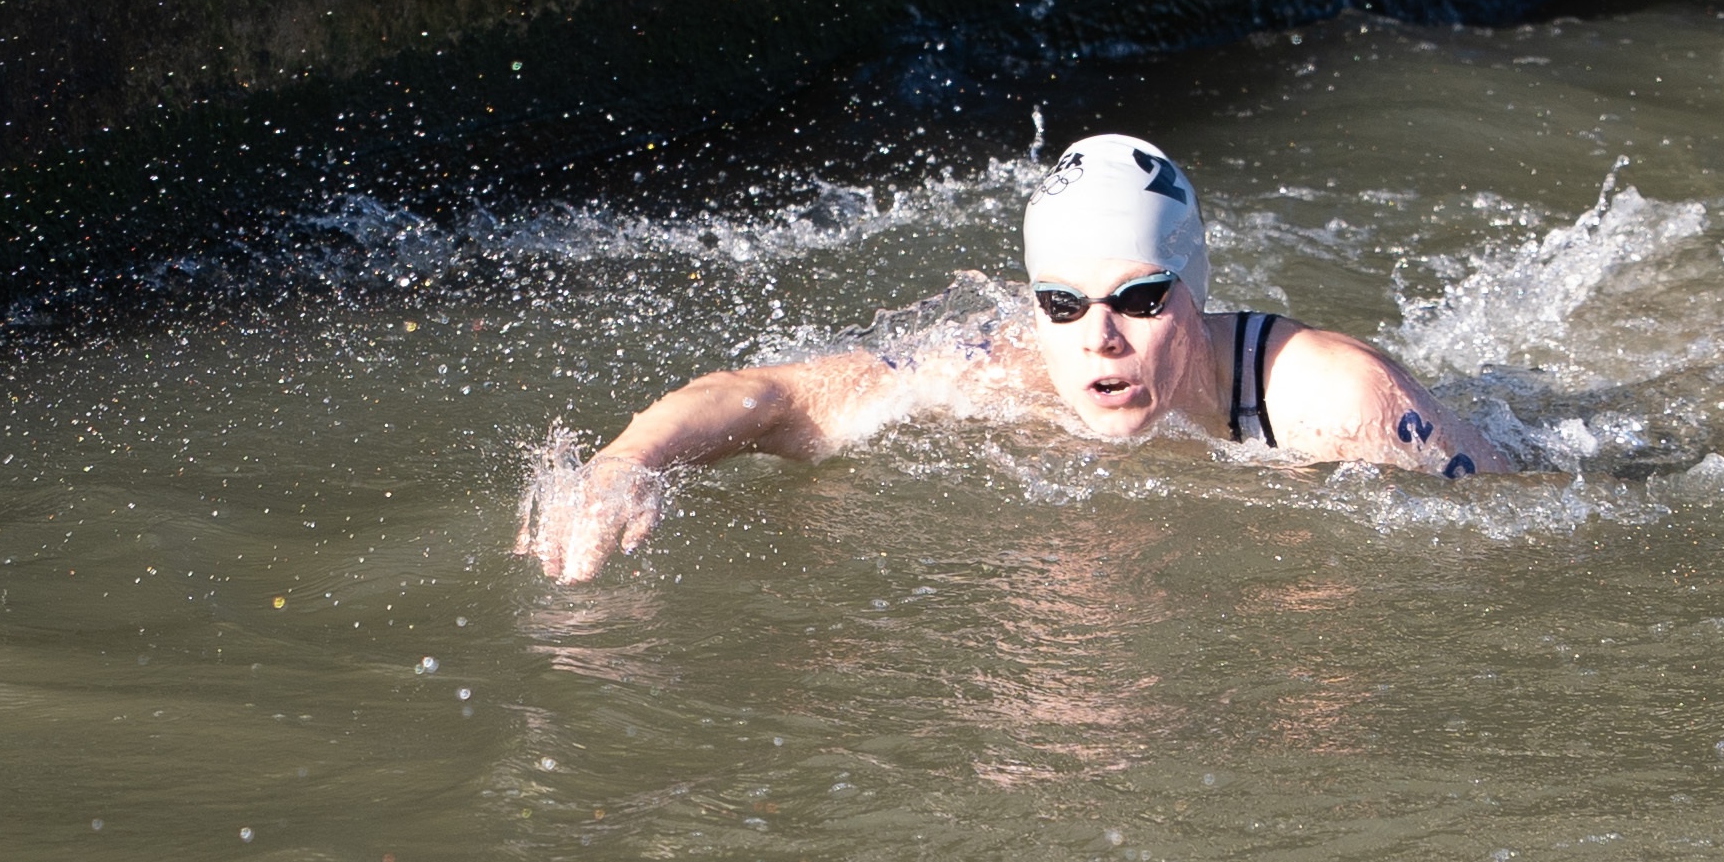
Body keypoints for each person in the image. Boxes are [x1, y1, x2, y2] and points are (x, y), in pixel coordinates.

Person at [521, 136, 1476, 581]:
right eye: (1063, 304)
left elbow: (1522, 510)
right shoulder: (1003, 370)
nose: (1099, 337)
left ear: (1196, 290)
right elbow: (766, 394)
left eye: (1140, 299)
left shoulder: (1336, 400)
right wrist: (623, 465)